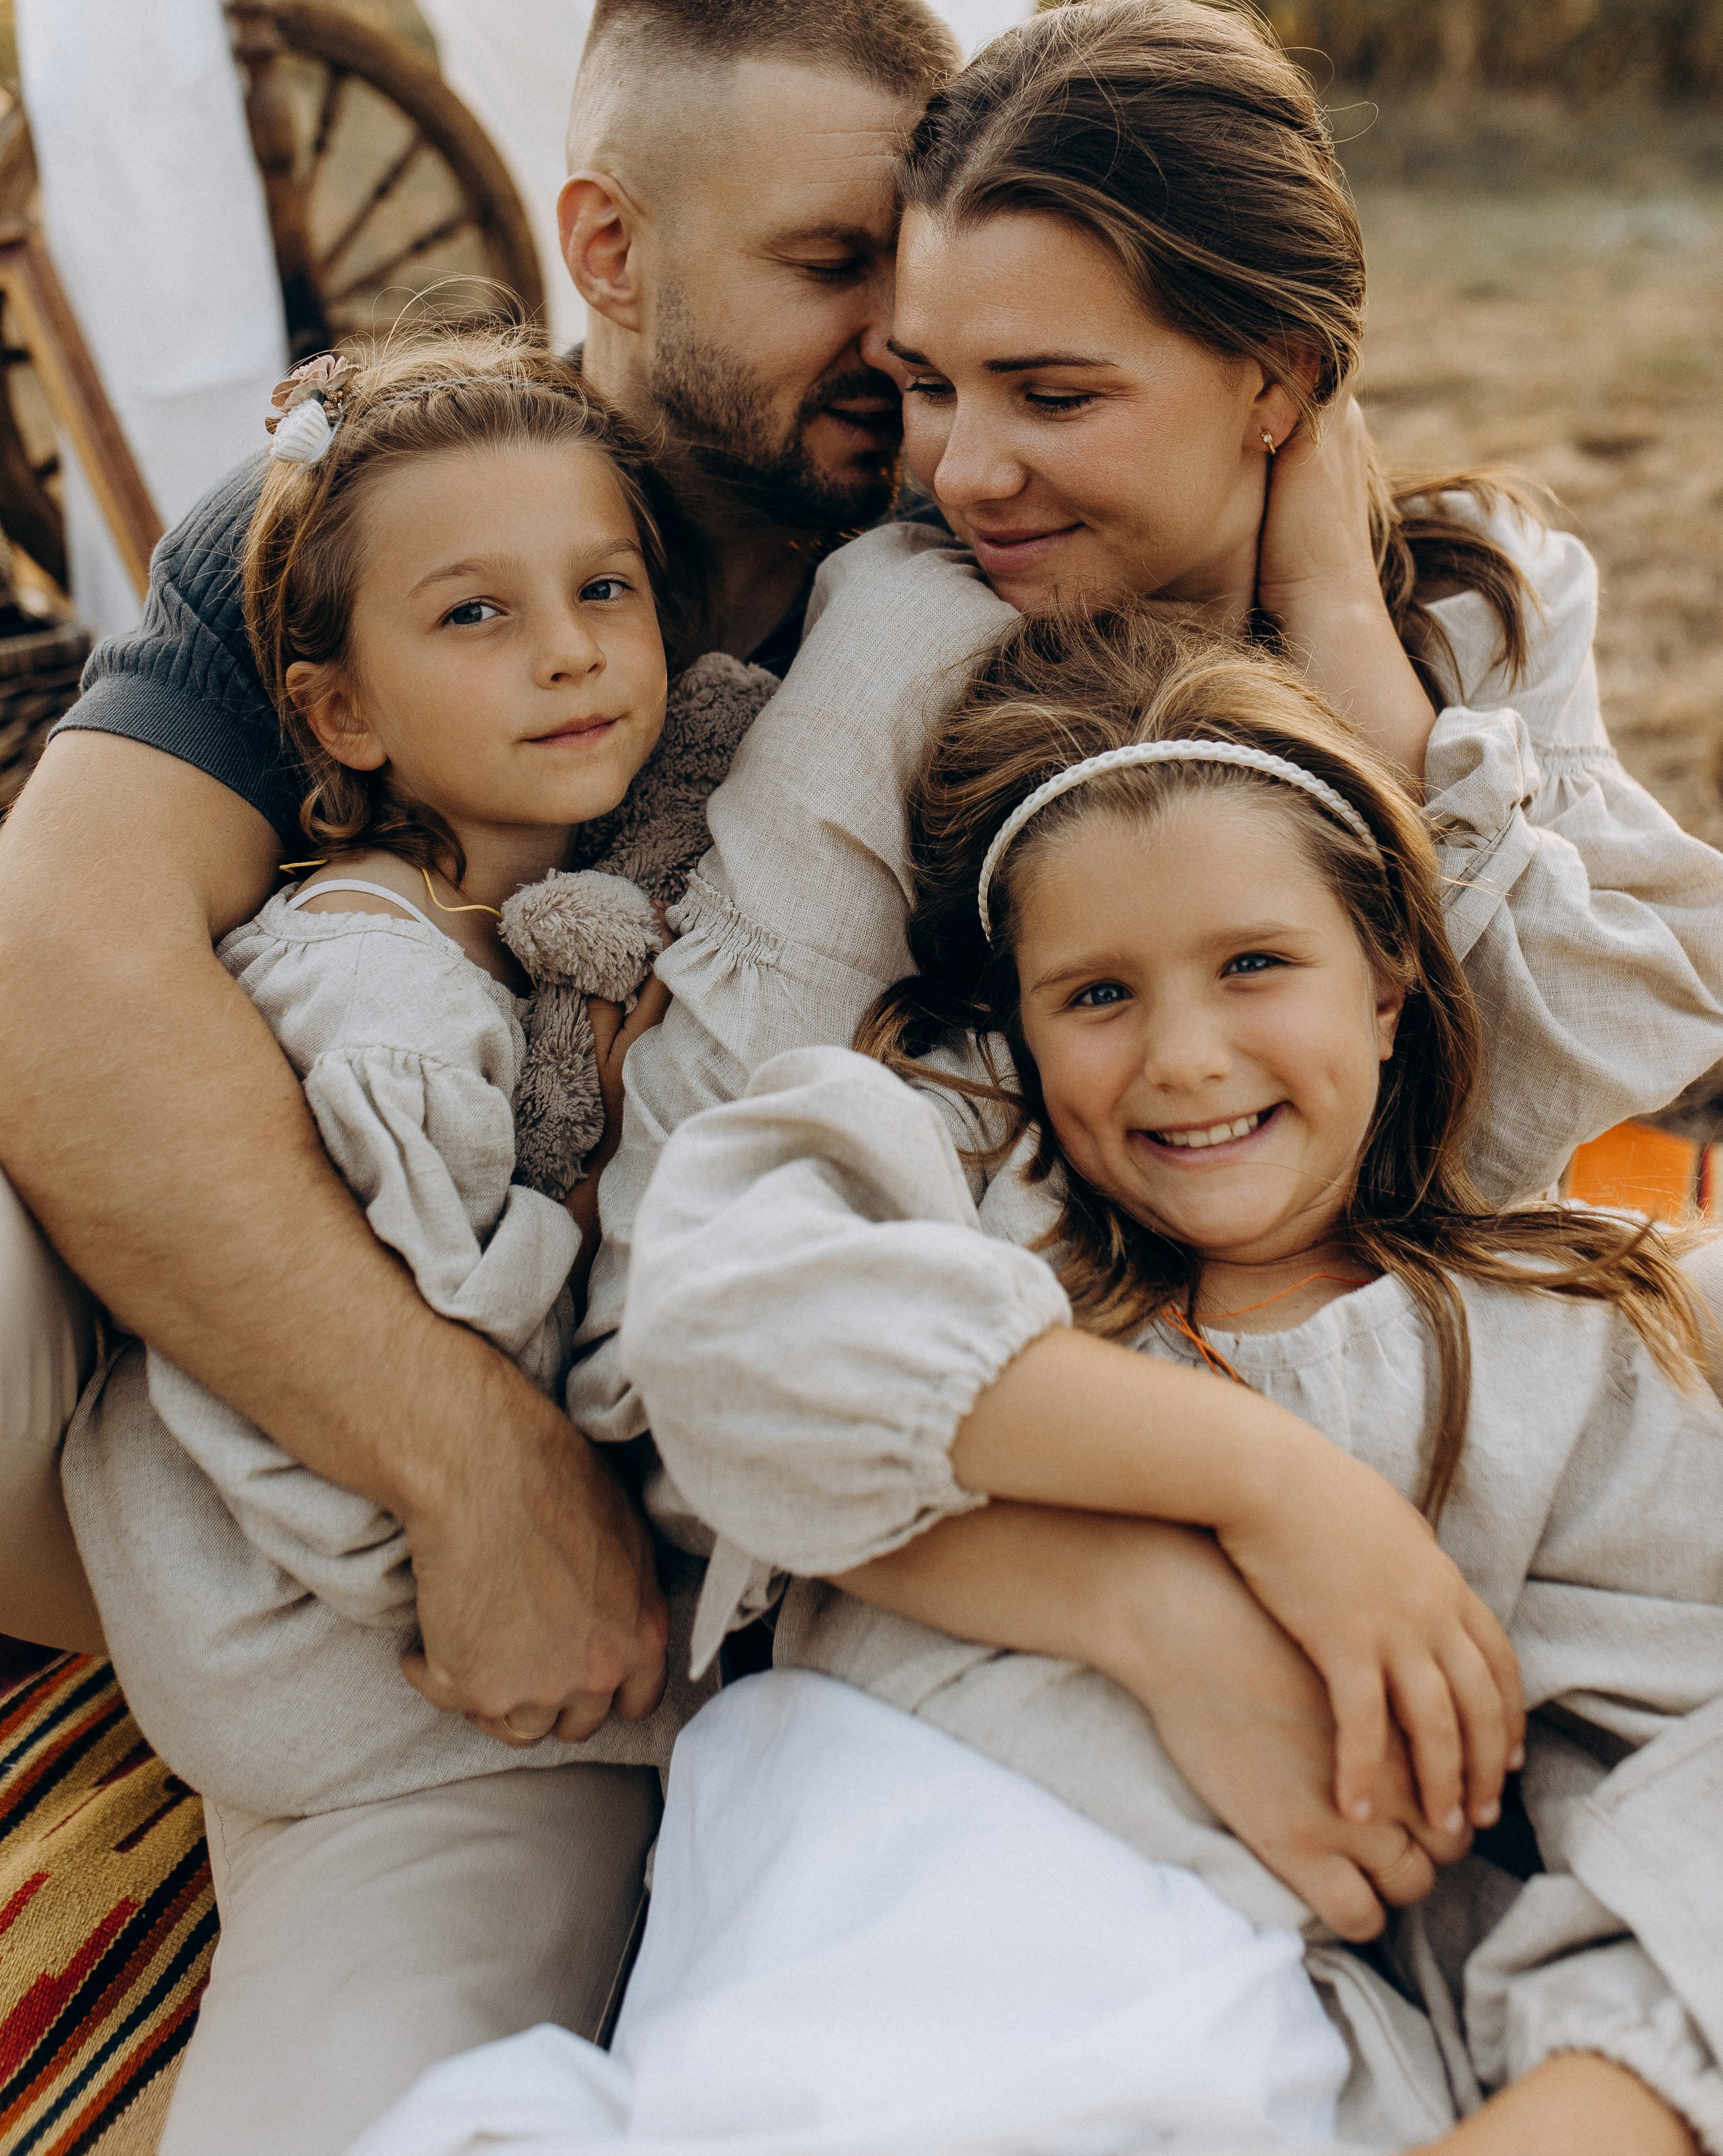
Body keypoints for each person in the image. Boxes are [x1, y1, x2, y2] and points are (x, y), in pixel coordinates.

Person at [570, 0, 1723, 1897]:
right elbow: (671, 1293)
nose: (962, 471)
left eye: (1054, 391)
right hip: (1044, 1460)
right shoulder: (908, 642)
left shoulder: (1480, 622)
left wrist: (1347, 648)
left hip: (1479, 1418)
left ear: (1280, 381)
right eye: (932, 384)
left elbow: (1503, 1111)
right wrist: (1151, 1596)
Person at [0, 0, 959, 2122]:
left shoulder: (960, 554)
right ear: (605, 244)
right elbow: (59, 967)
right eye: (835, 263)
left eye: (927, 265)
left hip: (578, 1615)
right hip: (175, 1464)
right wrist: (463, 1462)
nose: (907, 344)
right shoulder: (375, 507)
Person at [492, 610, 1720, 2156]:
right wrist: (1268, 1486)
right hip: (853, 1915)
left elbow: (1680, 1768)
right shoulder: (969, 1195)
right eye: (1095, 996)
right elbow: (726, 1332)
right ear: (1008, 1030)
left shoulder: (1565, 1355)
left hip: (1238, 2009)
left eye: (1255, 966)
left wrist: (1586, 2097)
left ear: (1390, 985)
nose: (1186, 1059)